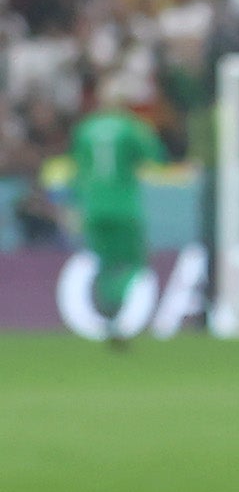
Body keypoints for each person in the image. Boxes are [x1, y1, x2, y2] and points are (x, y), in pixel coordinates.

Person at [66, 93, 162, 344]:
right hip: (124, 208)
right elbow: (155, 156)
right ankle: (120, 313)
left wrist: (75, 207)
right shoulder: (130, 127)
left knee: (105, 265)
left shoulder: (84, 130)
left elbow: (77, 171)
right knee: (135, 264)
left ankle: (110, 314)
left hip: (94, 208)